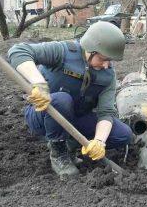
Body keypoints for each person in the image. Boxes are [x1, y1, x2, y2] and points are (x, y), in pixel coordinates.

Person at [8, 21, 133, 178]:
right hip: (43, 115)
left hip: (75, 119)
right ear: (91, 50)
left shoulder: (108, 76)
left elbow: (106, 112)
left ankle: (70, 144)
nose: (107, 65)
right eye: (103, 59)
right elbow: (19, 51)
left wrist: (99, 142)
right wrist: (38, 84)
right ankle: (58, 153)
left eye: (110, 61)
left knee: (124, 134)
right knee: (61, 100)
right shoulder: (63, 52)